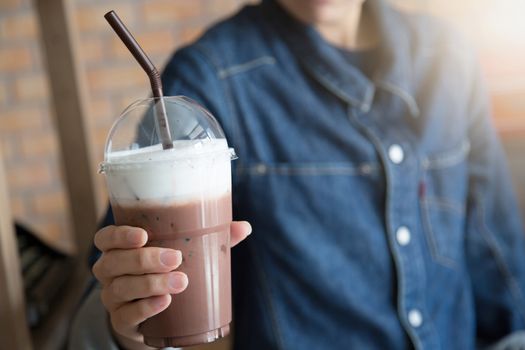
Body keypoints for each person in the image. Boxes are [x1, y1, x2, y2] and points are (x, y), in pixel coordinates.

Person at [70, 0, 525, 349]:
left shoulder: (450, 57)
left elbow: (499, 264)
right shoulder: (211, 77)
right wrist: (128, 323)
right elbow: (110, 298)